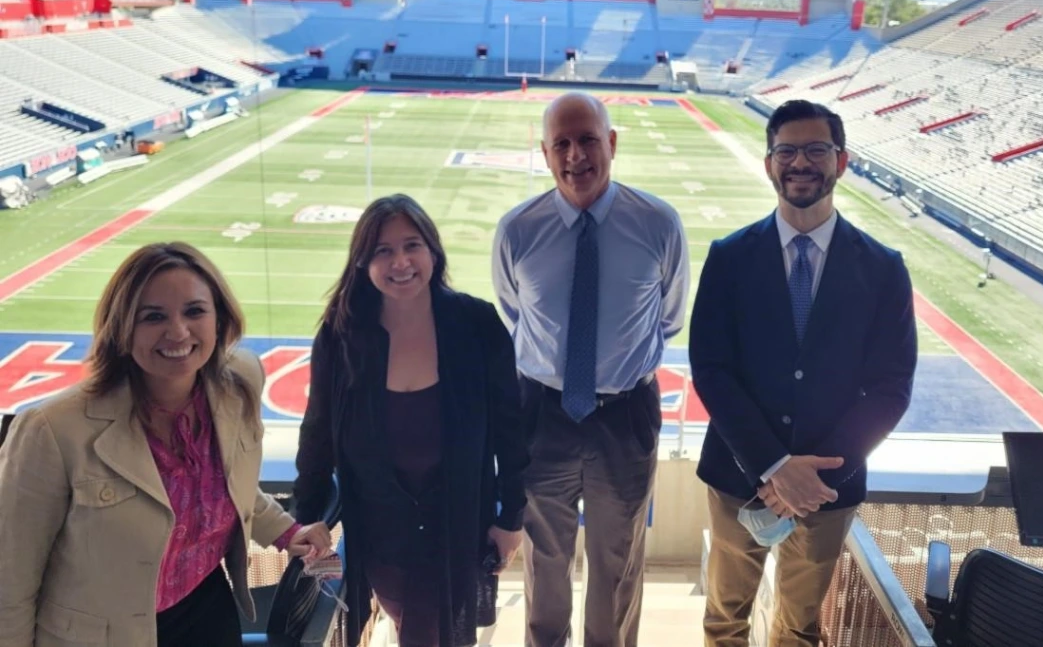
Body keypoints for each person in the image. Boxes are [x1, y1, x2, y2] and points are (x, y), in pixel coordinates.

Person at [0, 242, 332, 647]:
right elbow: (9, 578)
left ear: (220, 318)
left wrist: (284, 530)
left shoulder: (240, 383)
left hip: (206, 611)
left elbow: (226, 483)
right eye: (153, 317)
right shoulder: (52, 430)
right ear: (122, 327)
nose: (177, 332)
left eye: (194, 311)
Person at [690, 99, 918, 647]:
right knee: (725, 621)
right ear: (769, 163)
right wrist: (772, 465)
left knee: (799, 629)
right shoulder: (729, 257)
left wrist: (812, 481)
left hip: (826, 489)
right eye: (786, 151)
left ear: (841, 161)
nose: (800, 163)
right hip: (737, 478)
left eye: (817, 150)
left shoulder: (883, 268)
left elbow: (891, 388)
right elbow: (713, 370)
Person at [492, 92, 690, 647]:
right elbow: (516, 313)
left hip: (624, 415)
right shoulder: (518, 231)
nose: (576, 155)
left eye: (588, 140)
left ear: (613, 144)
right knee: (544, 558)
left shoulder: (657, 224)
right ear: (545, 152)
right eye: (562, 143)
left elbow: (669, 318)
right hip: (542, 413)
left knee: (618, 562)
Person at [294, 194, 529, 647]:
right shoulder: (341, 334)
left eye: (411, 245)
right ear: (362, 262)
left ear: (433, 252)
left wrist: (511, 516)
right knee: (415, 625)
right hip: (381, 525)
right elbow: (318, 429)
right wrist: (306, 517)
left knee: (435, 632)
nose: (400, 261)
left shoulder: (476, 324)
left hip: (459, 518)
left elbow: (510, 430)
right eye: (383, 250)